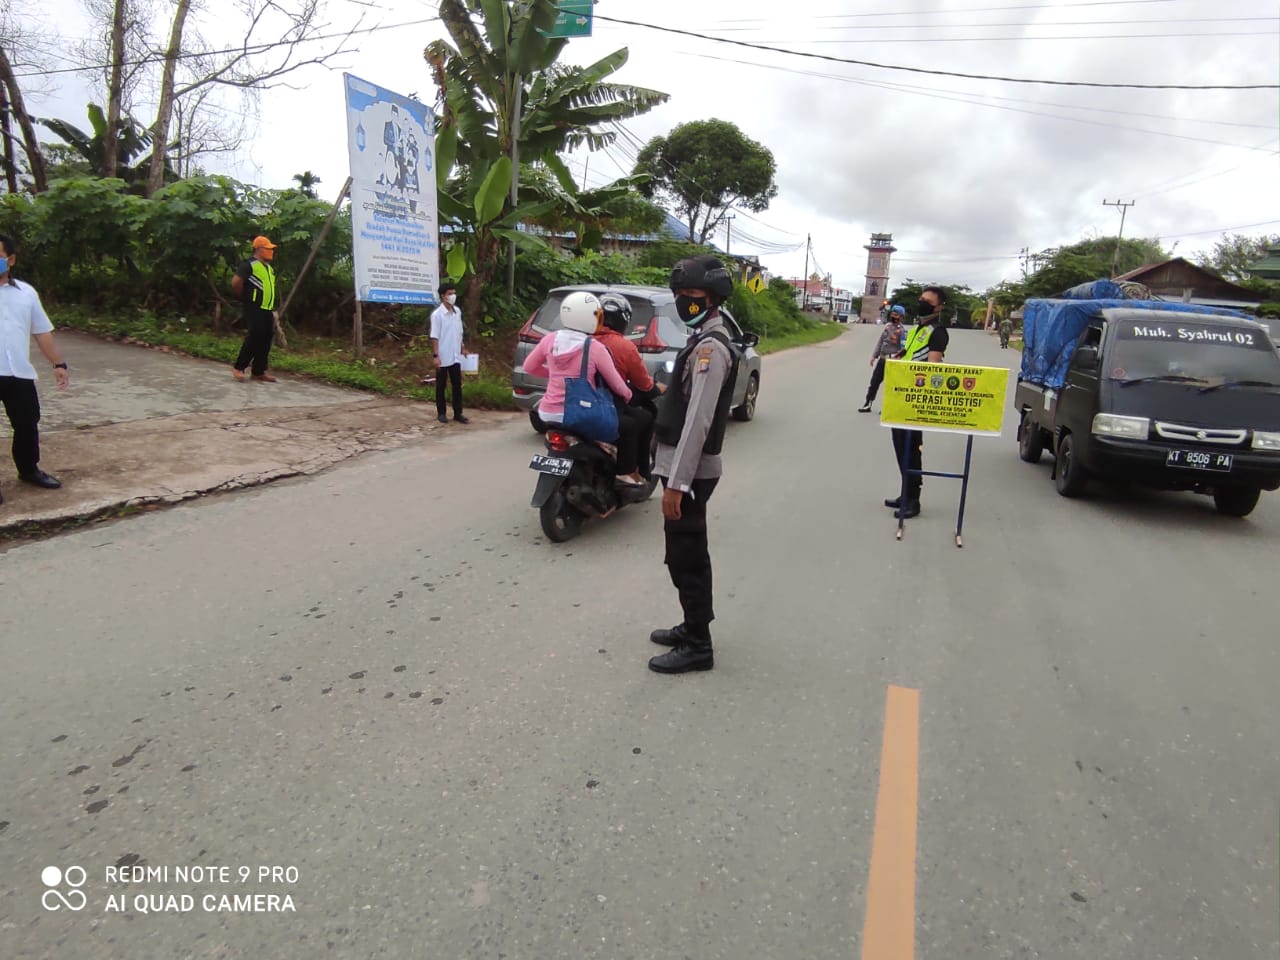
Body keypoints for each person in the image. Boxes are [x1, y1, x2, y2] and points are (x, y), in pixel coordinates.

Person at [648, 255, 738, 675]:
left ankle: (699, 644)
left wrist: (676, 485)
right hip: (681, 470)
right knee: (680, 553)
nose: (686, 303)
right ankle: (690, 626)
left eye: (694, 296)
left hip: (690, 474)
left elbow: (700, 421)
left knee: (688, 556)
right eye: (681, 296)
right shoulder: (701, 339)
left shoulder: (711, 349)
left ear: (714, 298)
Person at [0, 233, 69, 505]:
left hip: (18, 372)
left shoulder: (27, 293)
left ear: (11, 259)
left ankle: (28, 470)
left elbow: (42, 332)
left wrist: (58, 364)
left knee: (28, 423)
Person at [522, 291, 631, 429]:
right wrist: (628, 395)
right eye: (598, 316)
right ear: (589, 318)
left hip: (547, 412)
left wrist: (556, 374)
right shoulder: (595, 348)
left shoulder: (550, 339)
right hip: (580, 412)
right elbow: (616, 384)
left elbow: (529, 367)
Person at [885, 286, 949, 520]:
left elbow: (932, 367)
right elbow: (910, 353)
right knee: (899, 444)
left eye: (928, 301)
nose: (921, 303)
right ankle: (904, 493)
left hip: (916, 398)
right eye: (921, 299)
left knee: (911, 448)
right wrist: (899, 357)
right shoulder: (917, 330)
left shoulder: (938, 332)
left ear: (939, 307)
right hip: (900, 394)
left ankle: (914, 499)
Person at [593, 293, 664, 486]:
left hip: (568, 406)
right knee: (639, 420)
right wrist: (656, 388)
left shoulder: (578, 341)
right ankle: (629, 472)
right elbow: (643, 385)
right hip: (606, 406)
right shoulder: (623, 347)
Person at [231, 235, 280, 382]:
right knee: (254, 336)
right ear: (258, 249)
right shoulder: (249, 265)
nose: (270, 252)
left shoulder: (268, 268)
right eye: (268, 249)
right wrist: (244, 298)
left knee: (266, 338)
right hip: (254, 307)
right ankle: (239, 367)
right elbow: (236, 282)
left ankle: (259, 371)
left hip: (267, 308)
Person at [430, 281, 469, 424]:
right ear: (443, 296)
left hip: (455, 355)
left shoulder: (457, 312)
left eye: (453, 293)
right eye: (449, 294)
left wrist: (462, 347)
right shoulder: (437, 315)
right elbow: (435, 336)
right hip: (443, 355)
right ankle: (441, 413)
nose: (453, 296)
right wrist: (436, 356)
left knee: (457, 385)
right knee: (441, 385)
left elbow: (459, 332)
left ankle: (458, 413)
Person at [858, 304, 906, 412]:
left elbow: (903, 349)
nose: (894, 316)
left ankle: (887, 407)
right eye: (893, 314)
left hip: (893, 361)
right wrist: (874, 356)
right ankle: (868, 403)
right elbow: (880, 342)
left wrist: (897, 360)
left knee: (890, 385)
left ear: (901, 317)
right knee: (874, 382)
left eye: (896, 315)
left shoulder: (902, 331)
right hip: (882, 359)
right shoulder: (887, 327)